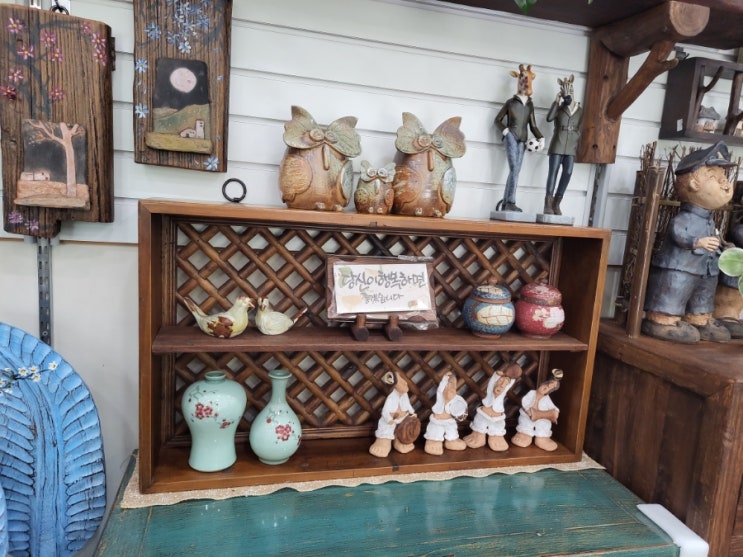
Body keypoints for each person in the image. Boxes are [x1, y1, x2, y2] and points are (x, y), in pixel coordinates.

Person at [642, 141, 736, 344]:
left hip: (704, 269)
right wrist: (697, 242)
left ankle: (699, 318)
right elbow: (678, 232)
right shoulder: (684, 218)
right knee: (675, 289)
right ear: (694, 184)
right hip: (680, 268)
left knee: (703, 293)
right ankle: (663, 319)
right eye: (714, 177)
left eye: (724, 177)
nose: (725, 184)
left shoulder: (709, 220)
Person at [494, 64, 544, 213]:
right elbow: (497, 120)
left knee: (515, 171)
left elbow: (533, 125)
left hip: (523, 140)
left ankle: (506, 203)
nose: (525, 82)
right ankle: (511, 202)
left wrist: (541, 137)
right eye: (523, 79)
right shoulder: (510, 103)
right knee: (514, 169)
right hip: (511, 137)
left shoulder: (530, 105)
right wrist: (505, 131)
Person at [543, 75, 582, 216]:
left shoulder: (580, 110)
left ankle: (557, 202)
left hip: (571, 146)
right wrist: (557, 100)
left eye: (570, 89)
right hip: (558, 144)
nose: (569, 91)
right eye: (566, 89)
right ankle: (548, 203)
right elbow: (549, 118)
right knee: (553, 172)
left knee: (568, 172)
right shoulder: (559, 108)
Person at [464, 363, 522, 451]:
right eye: (500, 382)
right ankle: (478, 434)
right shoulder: (491, 388)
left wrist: (512, 376)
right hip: (486, 409)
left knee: (498, 423)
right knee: (480, 419)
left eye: (504, 384)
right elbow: (492, 381)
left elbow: (509, 383)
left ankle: (496, 436)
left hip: (497, 411)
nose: (501, 385)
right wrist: (497, 375)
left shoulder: (503, 390)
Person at [369, 370, 417, 457]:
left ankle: (401, 440)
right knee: (385, 425)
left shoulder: (405, 395)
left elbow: (408, 405)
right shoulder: (391, 398)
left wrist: (412, 412)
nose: (405, 383)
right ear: (394, 386)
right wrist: (389, 419)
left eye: (403, 380)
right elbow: (385, 411)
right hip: (392, 419)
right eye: (401, 382)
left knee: (405, 426)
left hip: (403, 418)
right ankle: (384, 440)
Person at [511, 370, 562, 452]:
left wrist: (555, 412)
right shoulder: (532, 393)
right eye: (547, 385)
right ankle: (524, 435)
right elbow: (525, 401)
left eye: (550, 388)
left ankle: (542, 438)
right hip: (528, 415)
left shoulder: (547, 399)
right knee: (526, 422)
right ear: (542, 383)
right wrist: (527, 409)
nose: (547, 388)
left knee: (544, 424)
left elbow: (553, 407)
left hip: (542, 418)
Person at [423, 371, 468, 455]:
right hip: (438, 420)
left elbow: (461, 409)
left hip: (449, 421)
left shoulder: (457, 399)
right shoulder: (440, 397)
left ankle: (452, 440)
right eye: (448, 385)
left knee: (452, 430)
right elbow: (441, 390)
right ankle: (434, 441)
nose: (451, 388)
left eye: (454, 386)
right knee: (435, 429)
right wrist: (445, 378)